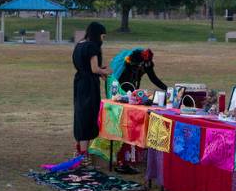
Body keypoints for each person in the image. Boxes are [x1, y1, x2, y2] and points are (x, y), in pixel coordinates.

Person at [107, 48, 168, 173]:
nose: (142, 67)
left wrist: (168, 90)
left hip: (133, 96)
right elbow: (120, 84)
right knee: (124, 125)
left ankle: (129, 157)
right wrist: (127, 96)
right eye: (140, 66)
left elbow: (153, 78)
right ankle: (122, 158)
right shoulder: (126, 65)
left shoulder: (146, 63)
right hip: (121, 93)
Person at [72, 23, 111, 158]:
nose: (103, 39)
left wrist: (100, 72)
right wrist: (105, 71)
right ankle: (84, 155)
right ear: (97, 34)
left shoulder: (79, 45)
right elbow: (94, 69)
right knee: (88, 116)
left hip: (79, 82)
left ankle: (79, 149)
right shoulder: (92, 47)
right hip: (89, 85)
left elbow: (87, 67)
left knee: (80, 113)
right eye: (102, 36)